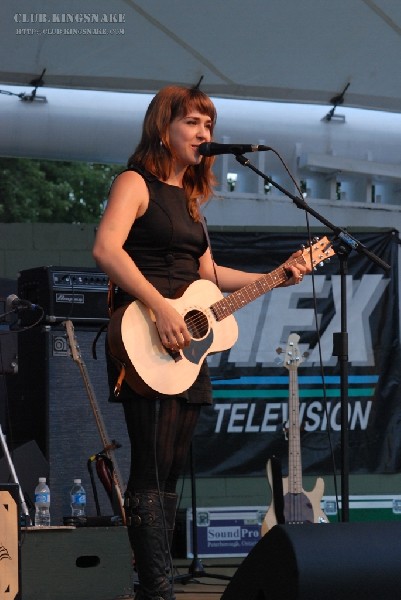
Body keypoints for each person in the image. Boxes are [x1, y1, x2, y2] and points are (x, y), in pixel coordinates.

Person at [92, 85, 310, 600]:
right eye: (193, 122)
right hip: (146, 334)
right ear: (163, 127)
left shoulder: (192, 201)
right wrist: (160, 306)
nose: (204, 133)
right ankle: (159, 588)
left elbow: (209, 274)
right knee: (149, 465)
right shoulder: (135, 182)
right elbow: (105, 248)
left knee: (169, 469)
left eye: (209, 125)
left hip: (186, 349)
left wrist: (276, 275)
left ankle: (153, 586)